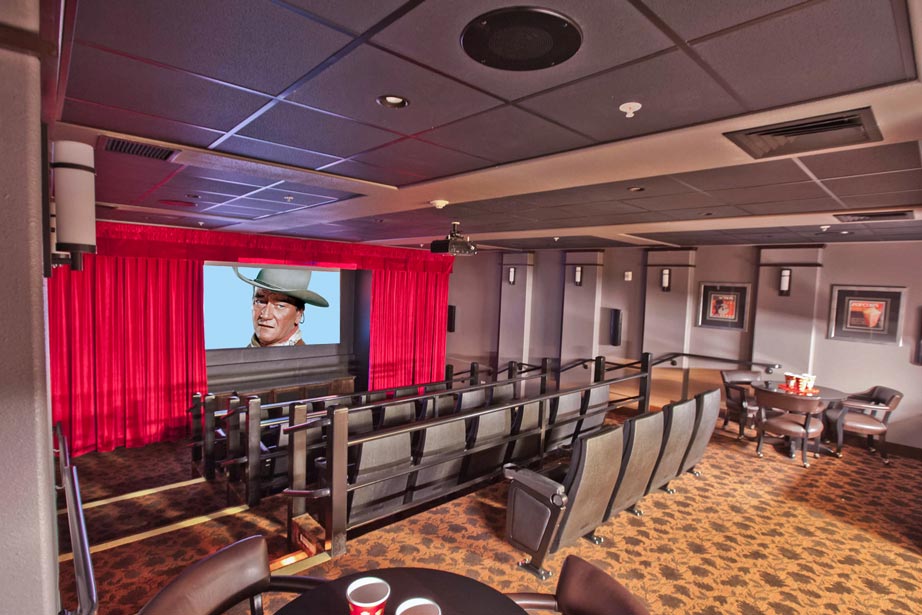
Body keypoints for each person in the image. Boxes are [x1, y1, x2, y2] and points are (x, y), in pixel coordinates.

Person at [234, 267, 328, 347]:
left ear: (298, 314)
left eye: (280, 306)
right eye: (260, 301)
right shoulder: (236, 359)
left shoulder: (309, 363)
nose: (266, 315)